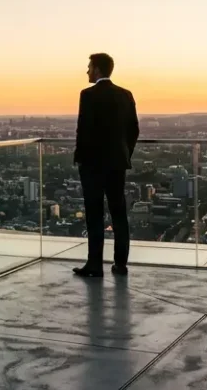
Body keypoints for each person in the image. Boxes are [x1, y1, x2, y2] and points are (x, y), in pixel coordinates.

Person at [72, 53, 139, 278]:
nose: (87, 71)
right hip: (117, 164)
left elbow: (83, 130)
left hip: (92, 165)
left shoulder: (88, 95)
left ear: (98, 70)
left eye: (90, 67)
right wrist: (124, 154)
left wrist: (80, 158)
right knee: (119, 213)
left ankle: (94, 265)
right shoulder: (125, 95)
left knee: (94, 214)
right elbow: (133, 130)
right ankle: (120, 264)